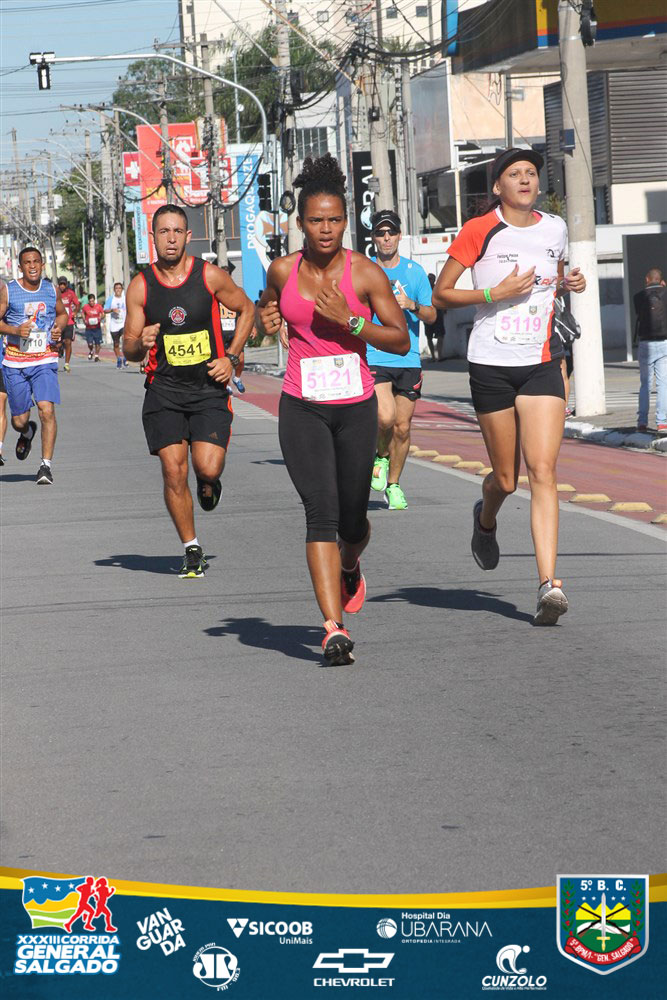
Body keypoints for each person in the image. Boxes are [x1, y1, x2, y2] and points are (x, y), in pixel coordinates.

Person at [256, 154, 408, 664]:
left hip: (355, 406)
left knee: (353, 521)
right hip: (302, 404)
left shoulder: (365, 273)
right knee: (320, 510)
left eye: (335, 220)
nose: (326, 229)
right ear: (300, 223)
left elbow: (400, 338)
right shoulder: (283, 270)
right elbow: (265, 306)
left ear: (346, 222)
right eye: (316, 220)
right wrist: (267, 317)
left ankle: (349, 563)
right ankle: (333, 627)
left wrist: (353, 322)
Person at [433, 147, 586, 625]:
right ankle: (486, 519)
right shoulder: (479, 229)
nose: (524, 179)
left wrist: (568, 282)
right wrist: (493, 293)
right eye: (514, 174)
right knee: (506, 478)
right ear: (498, 186)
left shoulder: (554, 228)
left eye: (531, 173)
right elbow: (441, 293)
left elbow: (550, 280)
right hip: (491, 364)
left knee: (543, 471)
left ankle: (548, 585)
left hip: (541, 362)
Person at [123, 204, 254, 579]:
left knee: (206, 466)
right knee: (173, 470)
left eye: (177, 231)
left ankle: (209, 483)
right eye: (164, 232)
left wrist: (231, 356)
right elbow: (129, 348)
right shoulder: (141, 286)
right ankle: (191, 547)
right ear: (153, 237)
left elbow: (247, 309)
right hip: (164, 391)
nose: (171, 239)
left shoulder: (209, 276)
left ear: (188, 236)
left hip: (208, 389)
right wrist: (140, 343)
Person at [366, 210, 436, 510]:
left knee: (403, 427)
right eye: (380, 233)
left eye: (391, 233)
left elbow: (432, 315)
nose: (386, 238)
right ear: (373, 238)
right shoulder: (364, 270)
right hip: (374, 354)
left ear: (399, 236)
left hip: (407, 358)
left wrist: (412, 305)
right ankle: (381, 456)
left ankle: (393, 485)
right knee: (385, 417)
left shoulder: (414, 272)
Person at [0, 247, 66, 485]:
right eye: (27, 262)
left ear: (42, 264)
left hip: (44, 360)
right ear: (21, 267)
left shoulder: (51, 289)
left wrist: (58, 328)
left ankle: (45, 466)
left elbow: (62, 314)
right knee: (19, 420)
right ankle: (27, 432)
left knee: (46, 409)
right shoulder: (9, 290)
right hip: (15, 362)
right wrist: (15, 330)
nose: (32, 266)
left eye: (36, 261)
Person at [633, 267, 666, 434]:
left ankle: (642, 422)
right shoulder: (665, 293)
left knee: (645, 384)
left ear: (647, 279)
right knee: (663, 383)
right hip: (664, 342)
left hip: (645, 343)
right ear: (661, 281)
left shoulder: (638, 297)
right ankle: (662, 422)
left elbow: (639, 313)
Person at [57, 276, 80, 373]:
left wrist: (75, 312)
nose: (62, 286)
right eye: (60, 284)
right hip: (58, 322)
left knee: (68, 342)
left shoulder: (71, 293)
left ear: (66, 285)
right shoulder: (56, 293)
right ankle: (59, 350)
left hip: (69, 321)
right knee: (58, 344)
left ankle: (66, 364)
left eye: (64, 284)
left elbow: (77, 304)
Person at [104, 281, 128, 369]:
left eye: (119, 288)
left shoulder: (125, 298)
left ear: (122, 289)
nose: (118, 290)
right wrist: (112, 310)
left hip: (123, 323)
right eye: (116, 288)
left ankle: (125, 357)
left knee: (125, 339)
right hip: (114, 325)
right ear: (114, 290)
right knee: (116, 344)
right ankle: (118, 359)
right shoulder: (111, 299)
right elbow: (105, 310)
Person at [424, 272, 446, 363]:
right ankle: (433, 356)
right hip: (428, 315)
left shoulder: (438, 288)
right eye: (428, 279)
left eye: (431, 279)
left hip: (438, 315)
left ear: (434, 280)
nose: (429, 280)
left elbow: (443, 298)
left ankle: (439, 355)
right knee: (429, 337)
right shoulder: (424, 289)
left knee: (440, 336)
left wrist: (444, 308)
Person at [82, 293, 104, 360]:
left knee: (98, 343)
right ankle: (91, 351)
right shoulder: (85, 307)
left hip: (97, 328)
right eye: (90, 301)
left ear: (94, 300)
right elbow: (83, 313)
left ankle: (96, 355)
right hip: (89, 328)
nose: (92, 302)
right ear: (88, 301)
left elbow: (103, 314)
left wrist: (100, 317)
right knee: (90, 343)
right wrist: (84, 320)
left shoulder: (98, 306)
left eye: (93, 301)